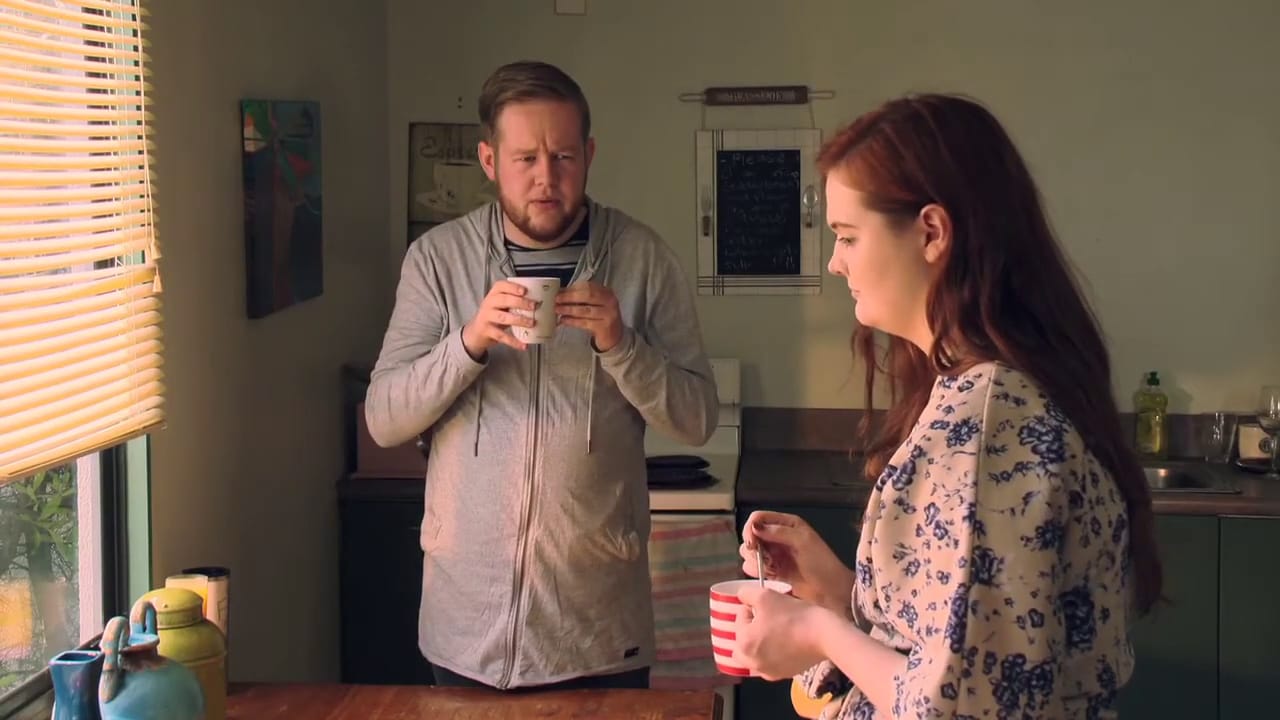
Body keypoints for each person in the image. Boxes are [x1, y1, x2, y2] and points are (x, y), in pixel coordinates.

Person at [731, 93, 1163, 719]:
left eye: (848, 236)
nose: (835, 262)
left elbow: (962, 707)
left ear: (931, 232)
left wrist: (817, 633)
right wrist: (842, 594)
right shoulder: (981, 394)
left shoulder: (991, 428)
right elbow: (956, 649)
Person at [364, 60, 718, 691]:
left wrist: (621, 346)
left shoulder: (643, 258)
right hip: (463, 629)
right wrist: (468, 343)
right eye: (525, 158)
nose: (546, 178)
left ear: (589, 155)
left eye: (563, 157)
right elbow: (384, 419)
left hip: (599, 633)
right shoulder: (436, 260)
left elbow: (697, 420)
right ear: (489, 160)